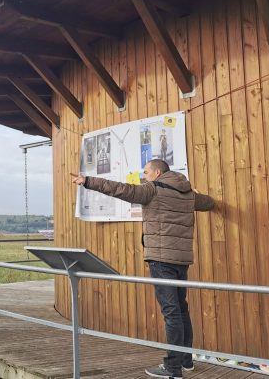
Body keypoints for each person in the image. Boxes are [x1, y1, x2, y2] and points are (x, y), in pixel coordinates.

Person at [71, 159, 214, 379]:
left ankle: (173, 368)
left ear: (157, 173)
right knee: (181, 310)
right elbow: (207, 203)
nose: (143, 176)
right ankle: (186, 360)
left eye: (146, 172)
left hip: (161, 259)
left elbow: (121, 189)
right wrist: (199, 195)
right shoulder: (187, 192)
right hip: (181, 260)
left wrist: (88, 181)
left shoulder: (153, 190)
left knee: (172, 312)